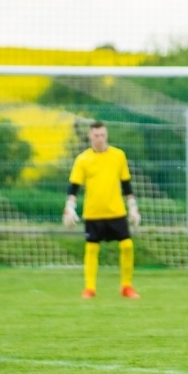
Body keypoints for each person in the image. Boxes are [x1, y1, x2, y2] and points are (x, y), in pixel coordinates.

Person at [62, 120, 141, 299]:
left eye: (103, 135)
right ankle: (89, 288)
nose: (100, 139)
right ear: (90, 136)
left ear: (106, 135)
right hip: (93, 213)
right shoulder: (83, 159)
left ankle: (126, 287)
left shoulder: (118, 156)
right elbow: (74, 187)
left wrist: (133, 208)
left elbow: (126, 184)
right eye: (96, 135)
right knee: (91, 249)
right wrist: (69, 208)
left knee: (127, 245)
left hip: (116, 211)